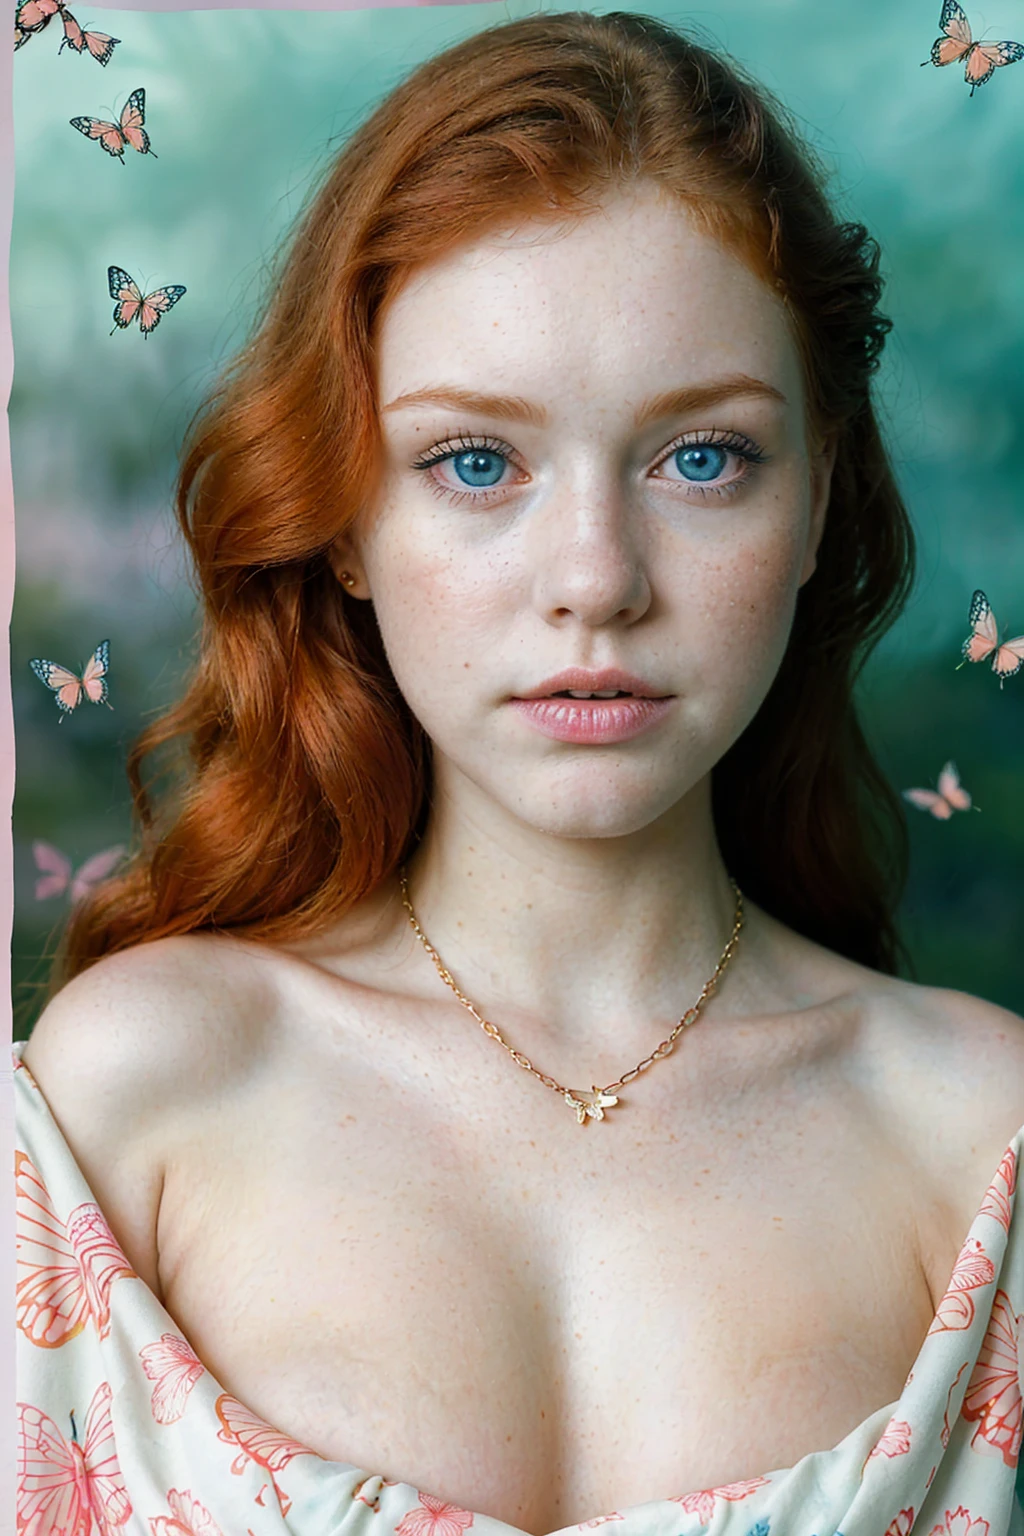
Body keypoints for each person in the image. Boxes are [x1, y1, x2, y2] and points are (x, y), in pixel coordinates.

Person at [14, 10, 1024, 1535]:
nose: (596, 581)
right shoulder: (131, 1096)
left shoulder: (988, 1143)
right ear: (344, 520)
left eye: (704, 458)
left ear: (820, 503)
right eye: (476, 462)